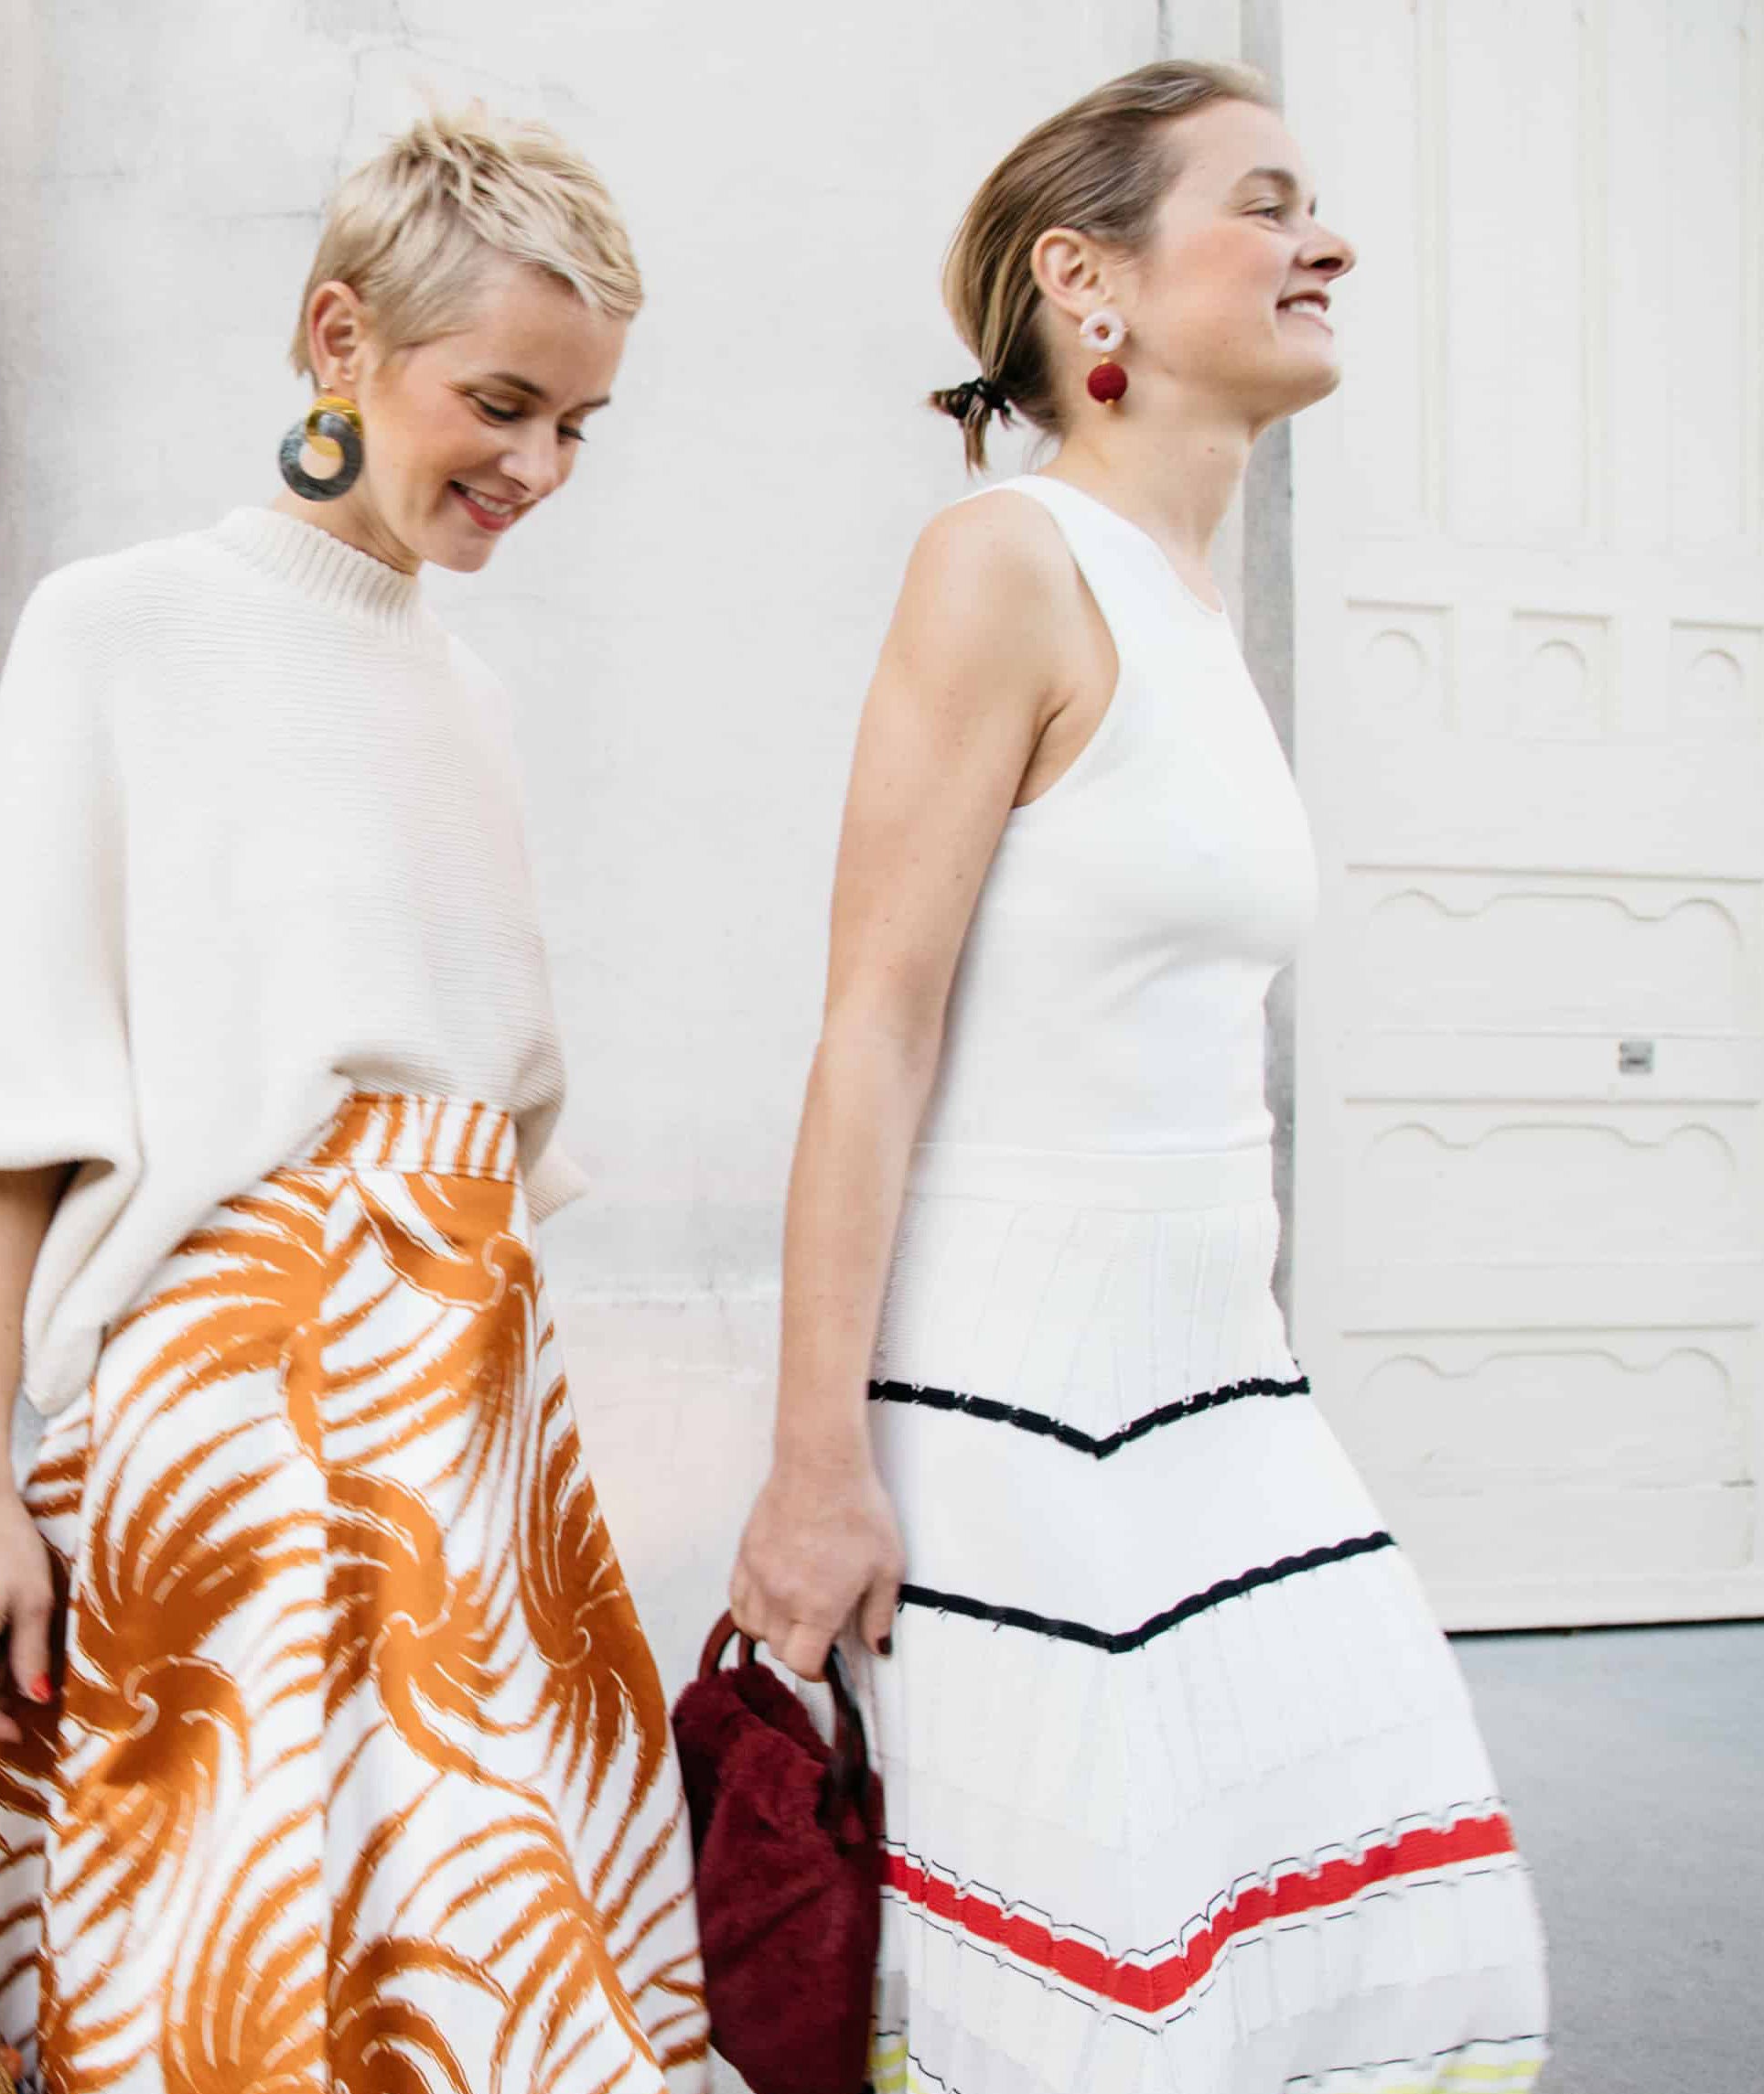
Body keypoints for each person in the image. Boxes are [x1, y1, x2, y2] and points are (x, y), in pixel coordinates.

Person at [726, 59, 1548, 2094]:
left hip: (1209, 1396)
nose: (1323, 240)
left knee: (1333, 1948)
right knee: (1086, 2004)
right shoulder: (1002, 561)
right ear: (1082, 283)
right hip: (1018, 1415)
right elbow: (870, 1021)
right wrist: (812, 1464)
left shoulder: (1190, 605)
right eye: (1262, 203)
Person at [0, 104, 708, 2094]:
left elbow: (492, 1121)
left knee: (476, 1978)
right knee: (236, 1981)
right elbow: (10, 1095)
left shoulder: (469, 693)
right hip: (232, 1412)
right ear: (339, 338)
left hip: (472, 1408)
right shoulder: (124, 624)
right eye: (499, 399)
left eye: (579, 422)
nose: (536, 467)